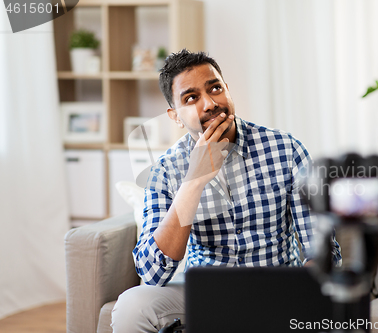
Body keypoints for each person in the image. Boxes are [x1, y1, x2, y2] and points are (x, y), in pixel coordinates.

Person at [111, 49, 341, 332]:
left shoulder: (286, 149)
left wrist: (299, 294)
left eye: (215, 88)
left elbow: (322, 249)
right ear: (175, 116)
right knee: (132, 306)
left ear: (228, 91)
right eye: (191, 98)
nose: (209, 103)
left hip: (277, 286)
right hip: (204, 290)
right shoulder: (167, 169)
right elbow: (153, 273)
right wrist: (193, 181)